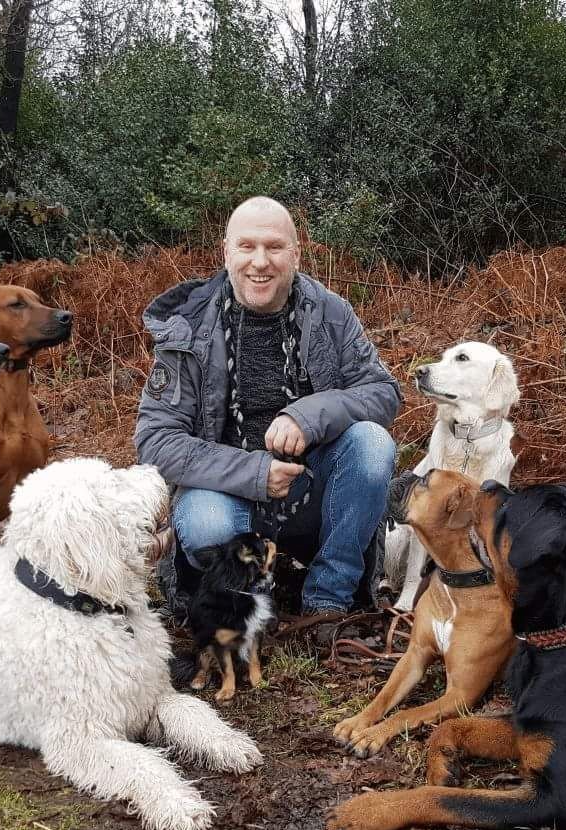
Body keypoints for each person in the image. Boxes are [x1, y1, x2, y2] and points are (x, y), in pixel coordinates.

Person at [135, 196, 401, 644]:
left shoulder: (331, 313)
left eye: (275, 247)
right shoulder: (188, 326)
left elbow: (383, 393)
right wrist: (256, 473)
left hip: (309, 492)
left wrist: (308, 415)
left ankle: (328, 603)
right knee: (206, 526)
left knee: (372, 443)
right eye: (247, 247)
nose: (261, 262)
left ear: (296, 253)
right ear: (225, 252)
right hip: (226, 492)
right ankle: (241, 603)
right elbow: (156, 439)